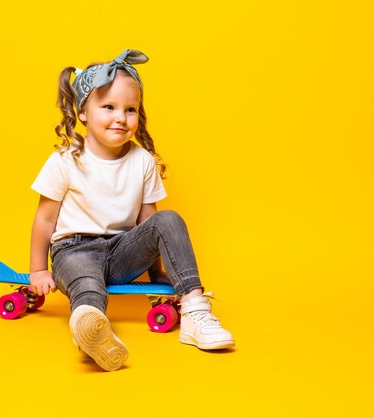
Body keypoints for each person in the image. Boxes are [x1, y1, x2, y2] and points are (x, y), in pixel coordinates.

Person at [28, 49, 234, 371]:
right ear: (83, 111)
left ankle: (195, 310)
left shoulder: (142, 161)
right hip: (74, 250)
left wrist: (157, 275)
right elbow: (44, 218)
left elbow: (149, 225)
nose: (121, 118)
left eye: (130, 109)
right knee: (87, 285)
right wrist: (39, 269)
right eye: (108, 107)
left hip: (121, 252)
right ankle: (90, 328)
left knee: (169, 218)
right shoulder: (67, 158)